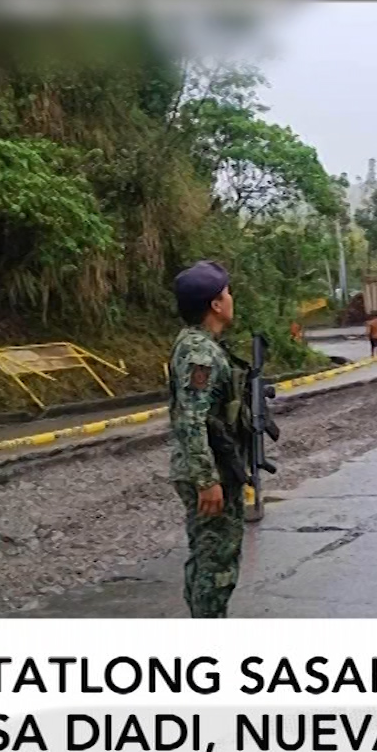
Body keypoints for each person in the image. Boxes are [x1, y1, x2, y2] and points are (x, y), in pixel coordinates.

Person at [168, 261, 246, 618]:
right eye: (227, 293)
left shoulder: (197, 344)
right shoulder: (201, 353)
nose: (231, 298)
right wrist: (207, 480)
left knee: (206, 558)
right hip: (210, 471)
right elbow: (192, 418)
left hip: (211, 465)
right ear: (215, 305)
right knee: (216, 565)